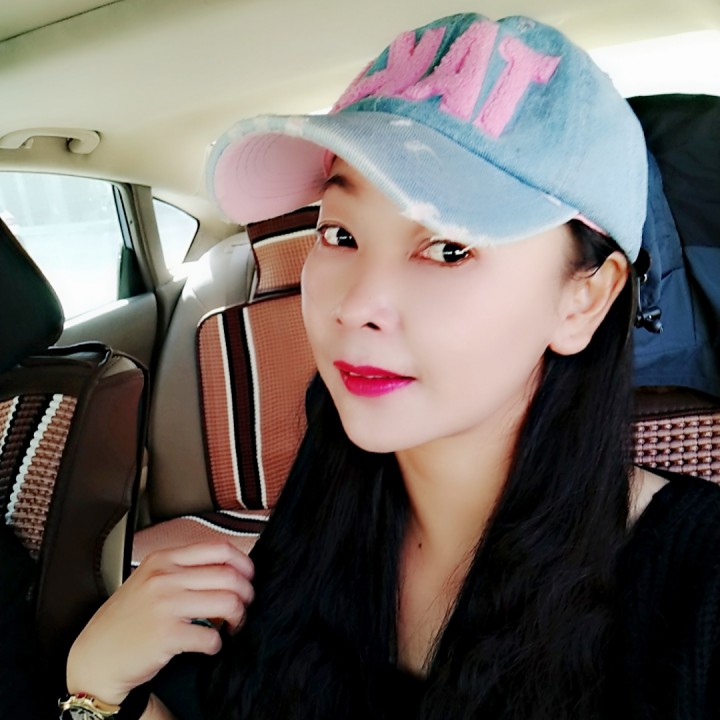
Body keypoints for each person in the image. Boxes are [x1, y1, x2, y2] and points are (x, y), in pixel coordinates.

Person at [63, 12, 720, 720]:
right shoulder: (334, 484)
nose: (357, 307)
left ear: (583, 299)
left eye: (448, 249)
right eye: (340, 234)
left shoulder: (700, 592)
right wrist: (97, 693)